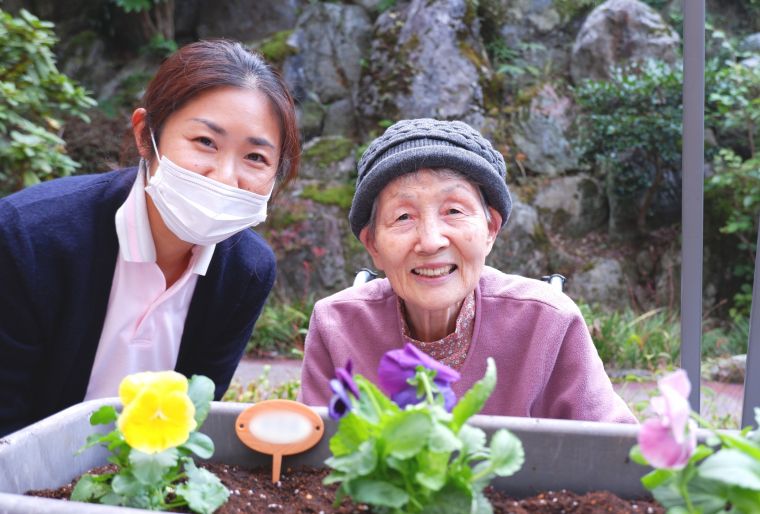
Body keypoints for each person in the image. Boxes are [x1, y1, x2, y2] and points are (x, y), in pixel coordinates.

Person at [0, 40, 301, 437]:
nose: (226, 177)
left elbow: (191, 417)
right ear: (145, 135)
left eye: (256, 158)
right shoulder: (28, 238)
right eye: (205, 142)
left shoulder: (247, 272)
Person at [299, 118, 636, 423]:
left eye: (454, 210)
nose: (430, 241)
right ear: (372, 244)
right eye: (404, 217)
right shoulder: (336, 326)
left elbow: (616, 457)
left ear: (490, 228)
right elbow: (314, 466)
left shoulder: (548, 322)